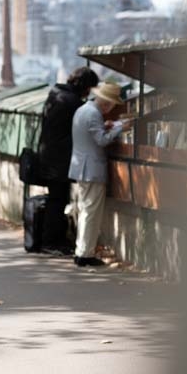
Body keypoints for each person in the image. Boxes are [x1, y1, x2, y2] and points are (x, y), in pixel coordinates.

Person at [36, 66, 100, 254]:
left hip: (48, 156)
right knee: (58, 201)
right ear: (86, 86)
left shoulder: (56, 93)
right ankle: (52, 242)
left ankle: (52, 240)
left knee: (55, 200)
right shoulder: (72, 102)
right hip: (59, 161)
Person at [67, 81, 128, 267]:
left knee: (86, 210)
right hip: (92, 169)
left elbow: (92, 134)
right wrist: (120, 128)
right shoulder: (94, 114)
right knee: (90, 213)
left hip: (82, 167)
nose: (110, 108)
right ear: (107, 102)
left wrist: (106, 126)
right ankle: (85, 254)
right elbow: (101, 140)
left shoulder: (83, 109)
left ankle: (81, 251)